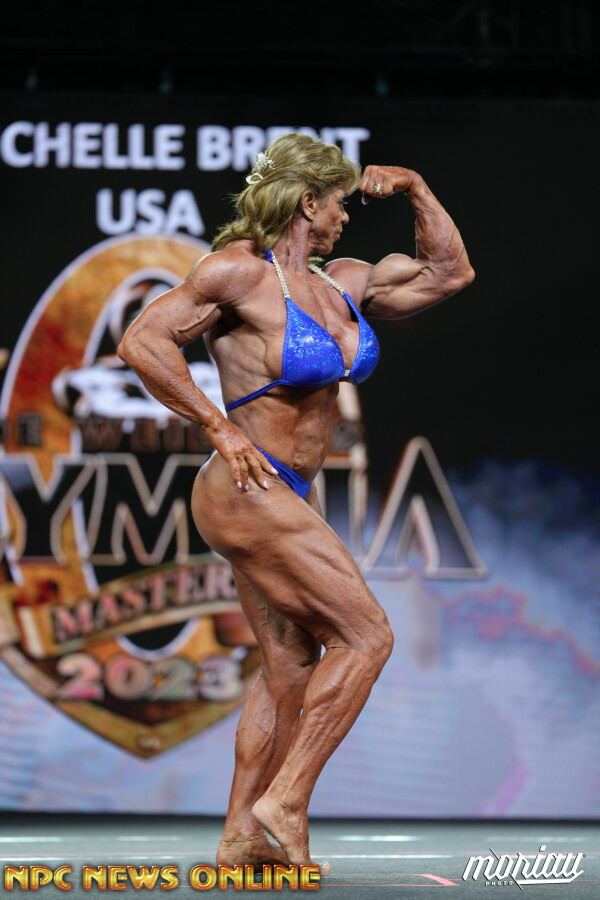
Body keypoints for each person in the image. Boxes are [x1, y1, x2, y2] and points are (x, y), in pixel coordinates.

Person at [117, 133, 475, 868]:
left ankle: (241, 836)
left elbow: (450, 272)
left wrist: (415, 186)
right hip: (245, 487)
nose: (344, 216)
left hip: (289, 492)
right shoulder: (237, 274)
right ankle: (286, 799)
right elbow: (143, 342)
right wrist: (218, 427)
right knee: (367, 637)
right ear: (308, 202)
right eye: (338, 203)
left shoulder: (344, 282)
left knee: (288, 665)